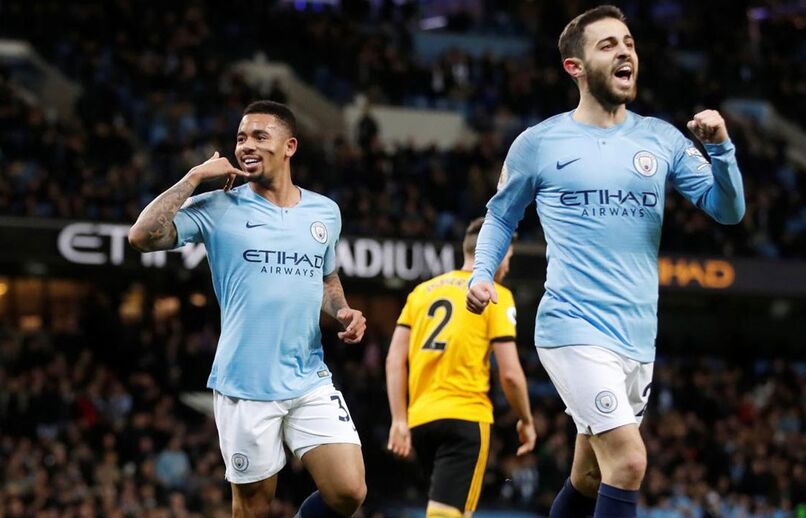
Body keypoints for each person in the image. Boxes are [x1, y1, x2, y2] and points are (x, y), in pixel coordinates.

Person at [466, 6, 746, 518]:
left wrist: (722, 149)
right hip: (572, 328)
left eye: (629, 43)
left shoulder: (661, 139)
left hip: (637, 336)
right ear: (575, 67)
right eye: (608, 45)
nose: (625, 52)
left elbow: (728, 210)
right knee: (629, 462)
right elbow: (501, 217)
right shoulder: (538, 144)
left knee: (590, 477)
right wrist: (481, 274)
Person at [128, 100, 368, 518]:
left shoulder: (325, 212)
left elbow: (326, 278)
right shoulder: (219, 207)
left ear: (290, 146)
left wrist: (344, 311)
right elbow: (142, 236)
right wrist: (194, 177)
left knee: (349, 492)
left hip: (308, 376)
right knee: (253, 507)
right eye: (241, 138)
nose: (246, 146)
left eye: (260, 136)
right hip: (245, 384)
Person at [385, 217, 537, 518]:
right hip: (465, 416)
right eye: (507, 255)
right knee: (446, 513)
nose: (508, 265)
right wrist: (526, 420)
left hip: (421, 421)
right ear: (495, 252)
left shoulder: (422, 292)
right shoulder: (495, 295)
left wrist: (399, 419)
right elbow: (509, 373)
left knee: (456, 511)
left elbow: (394, 359)